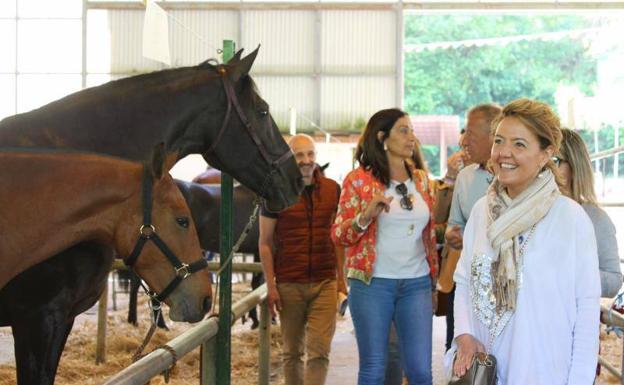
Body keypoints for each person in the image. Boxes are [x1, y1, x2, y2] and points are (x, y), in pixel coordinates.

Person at [451, 98, 600, 384]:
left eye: (519, 144)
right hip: (486, 371)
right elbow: (465, 281)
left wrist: (579, 379)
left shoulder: (570, 218)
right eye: (499, 141)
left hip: (543, 370)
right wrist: (465, 335)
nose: (504, 153)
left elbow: (587, 309)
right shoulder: (483, 211)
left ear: (545, 154)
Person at [331, 108, 438, 385]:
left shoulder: (423, 180)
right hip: (372, 284)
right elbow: (340, 235)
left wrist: (433, 282)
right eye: (403, 130)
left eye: (412, 130)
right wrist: (364, 217)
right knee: (374, 368)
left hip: (416, 283)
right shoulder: (358, 181)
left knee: (420, 371)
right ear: (382, 138)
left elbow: (429, 237)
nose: (411, 137)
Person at [258, 133, 345, 385]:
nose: (306, 161)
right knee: (292, 352)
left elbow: (338, 239)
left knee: (319, 352)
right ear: (288, 159)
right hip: (289, 284)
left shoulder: (332, 190)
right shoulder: (275, 193)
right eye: (299, 155)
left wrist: (341, 281)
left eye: (310, 154)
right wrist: (271, 286)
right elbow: (265, 243)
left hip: (324, 282)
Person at [442, 104, 501, 351]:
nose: (464, 140)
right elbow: (454, 224)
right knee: (461, 354)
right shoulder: (464, 176)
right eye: (464, 132)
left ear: (494, 136)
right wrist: (451, 235)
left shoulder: (515, 177)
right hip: (468, 284)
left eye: (471, 135)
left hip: (503, 286)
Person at [557, 128, 622, 298]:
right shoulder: (526, 214)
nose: (546, 169)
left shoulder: (595, 218)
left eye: (555, 161)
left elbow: (614, 282)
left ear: (574, 165)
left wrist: (571, 271)